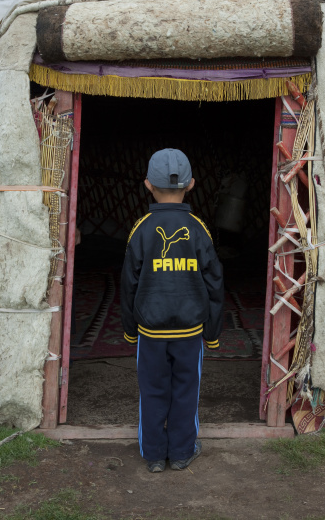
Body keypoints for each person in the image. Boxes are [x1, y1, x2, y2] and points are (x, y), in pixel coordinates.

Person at [121, 148, 224, 473]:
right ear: (191, 184)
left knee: (152, 392)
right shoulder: (199, 229)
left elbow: (128, 284)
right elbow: (215, 283)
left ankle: (153, 456)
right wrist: (213, 333)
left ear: (147, 185)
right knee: (185, 392)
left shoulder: (141, 229)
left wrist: (129, 328)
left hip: (151, 332)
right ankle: (181, 453)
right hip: (190, 333)